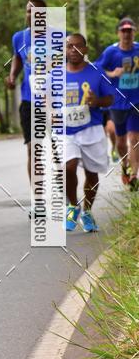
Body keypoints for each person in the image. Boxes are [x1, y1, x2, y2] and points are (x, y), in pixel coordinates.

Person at [65, 33, 114, 231]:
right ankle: (72, 205)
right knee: (68, 167)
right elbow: (46, 100)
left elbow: (110, 98)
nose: (73, 50)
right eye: (69, 46)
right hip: (66, 131)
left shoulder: (97, 71)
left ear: (85, 49)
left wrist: (97, 102)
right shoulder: (56, 74)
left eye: (78, 46)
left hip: (92, 128)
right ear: (65, 50)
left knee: (91, 173)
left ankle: (87, 211)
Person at [6, 0, 47, 184]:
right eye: (28, 11)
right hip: (29, 100)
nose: (30, 15)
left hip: (54, 101)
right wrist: (13, 75)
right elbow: (17, 58)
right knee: (33, 149)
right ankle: (37, 198)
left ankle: (63, 197)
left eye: (35, 11)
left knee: (58, 151)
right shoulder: (19, 38)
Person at [96, 17, 139, 190]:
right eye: (124, 31)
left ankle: (134, 176)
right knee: (121, 141)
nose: (127, 34)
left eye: (130, 31)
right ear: (118, 33)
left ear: (134, 32)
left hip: (136, 102)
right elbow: (97, 70)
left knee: (134, 138)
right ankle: (125, 165)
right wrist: (113, 74)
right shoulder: (111, 52)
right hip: (117, 103)